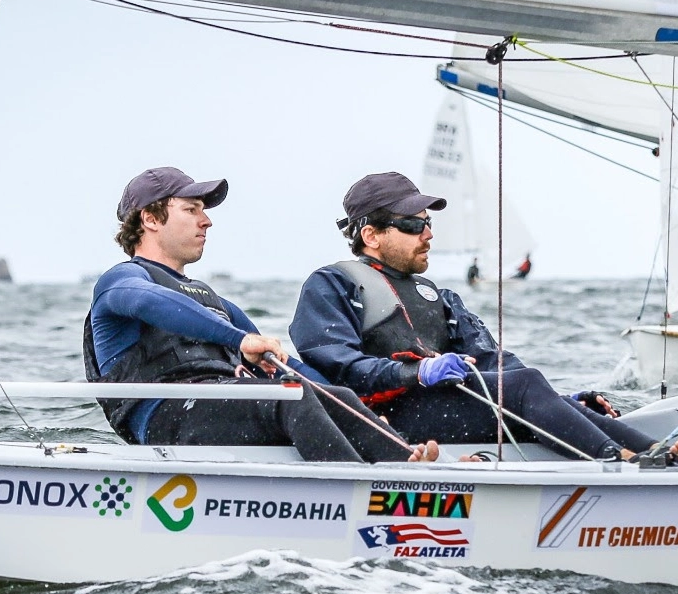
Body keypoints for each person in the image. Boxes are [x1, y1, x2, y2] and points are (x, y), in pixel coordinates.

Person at [290, 172, 678, 462]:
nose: (428, 233)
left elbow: (494, 362)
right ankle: (629, 462)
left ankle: (662, 453)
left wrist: (561, 405)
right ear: (371, 234)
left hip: (452, 404)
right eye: (412, 224)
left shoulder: (437, 295)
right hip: (387, 417)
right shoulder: (331, 285)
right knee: (523, 387)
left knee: (526, 382)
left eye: (427, 221)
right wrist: (417, 373)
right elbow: (336, 366)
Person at [83, 165, 442, 464]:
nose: (206, 221)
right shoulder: (122, 280)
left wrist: (359, 416)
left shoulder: (212, 300)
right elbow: (149, 302)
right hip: (166, 420)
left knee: (333, 396)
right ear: (149, 218)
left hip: (221, 403)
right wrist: (239, 340)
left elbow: (287, 365)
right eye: (191, 210)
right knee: (294, 398)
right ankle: (369, 493)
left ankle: (408, 462)